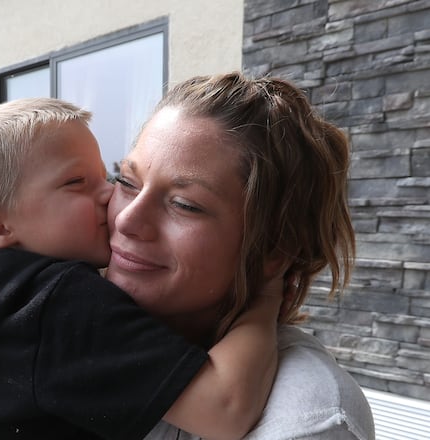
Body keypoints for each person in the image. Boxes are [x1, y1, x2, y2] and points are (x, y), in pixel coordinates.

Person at [0, 97, 284, 440]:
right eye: (76, 182)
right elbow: (226, 411)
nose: (110, 195)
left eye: (110, 176)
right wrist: (265, 299)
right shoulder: (56, 302)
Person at [101, 72, 375, 439]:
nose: (126, 218)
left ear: (274, 249)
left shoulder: (307, 419)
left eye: (185, 204)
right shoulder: (53, 308)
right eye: (127, 182)